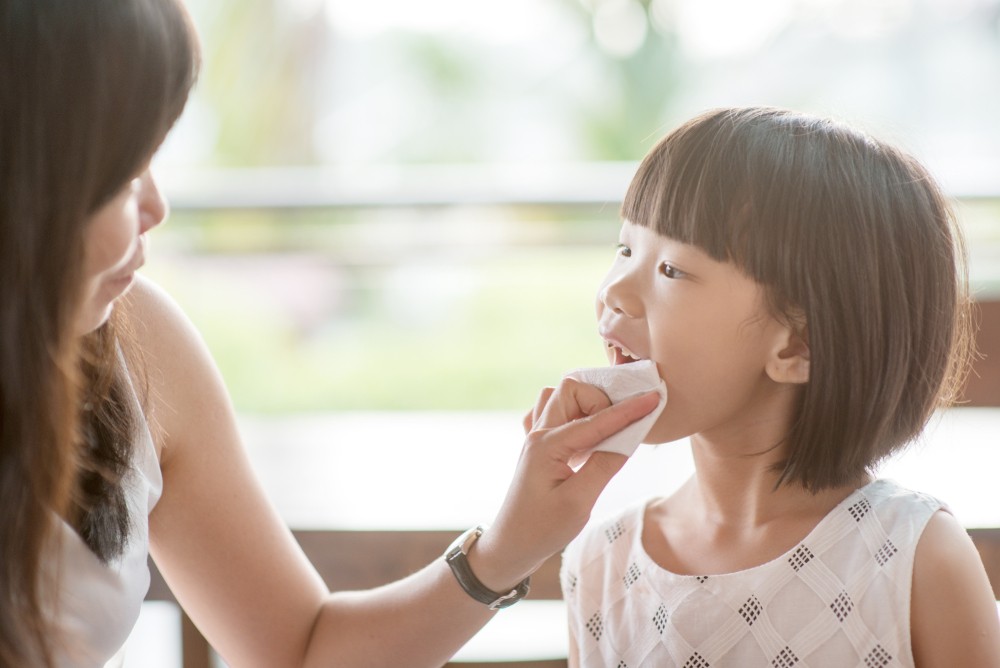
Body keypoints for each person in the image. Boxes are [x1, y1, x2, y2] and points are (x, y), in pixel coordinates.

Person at [0, 1, 662, 666]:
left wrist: (506, 549)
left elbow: (299, 648)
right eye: (121, 174)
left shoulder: (137, 343)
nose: (157, 207)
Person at [555, 107, 1000, 667]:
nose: (615, 290)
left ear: (797, 346)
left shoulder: (918, 557)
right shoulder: (601, 559)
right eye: (624, 249)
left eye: (672, 270)